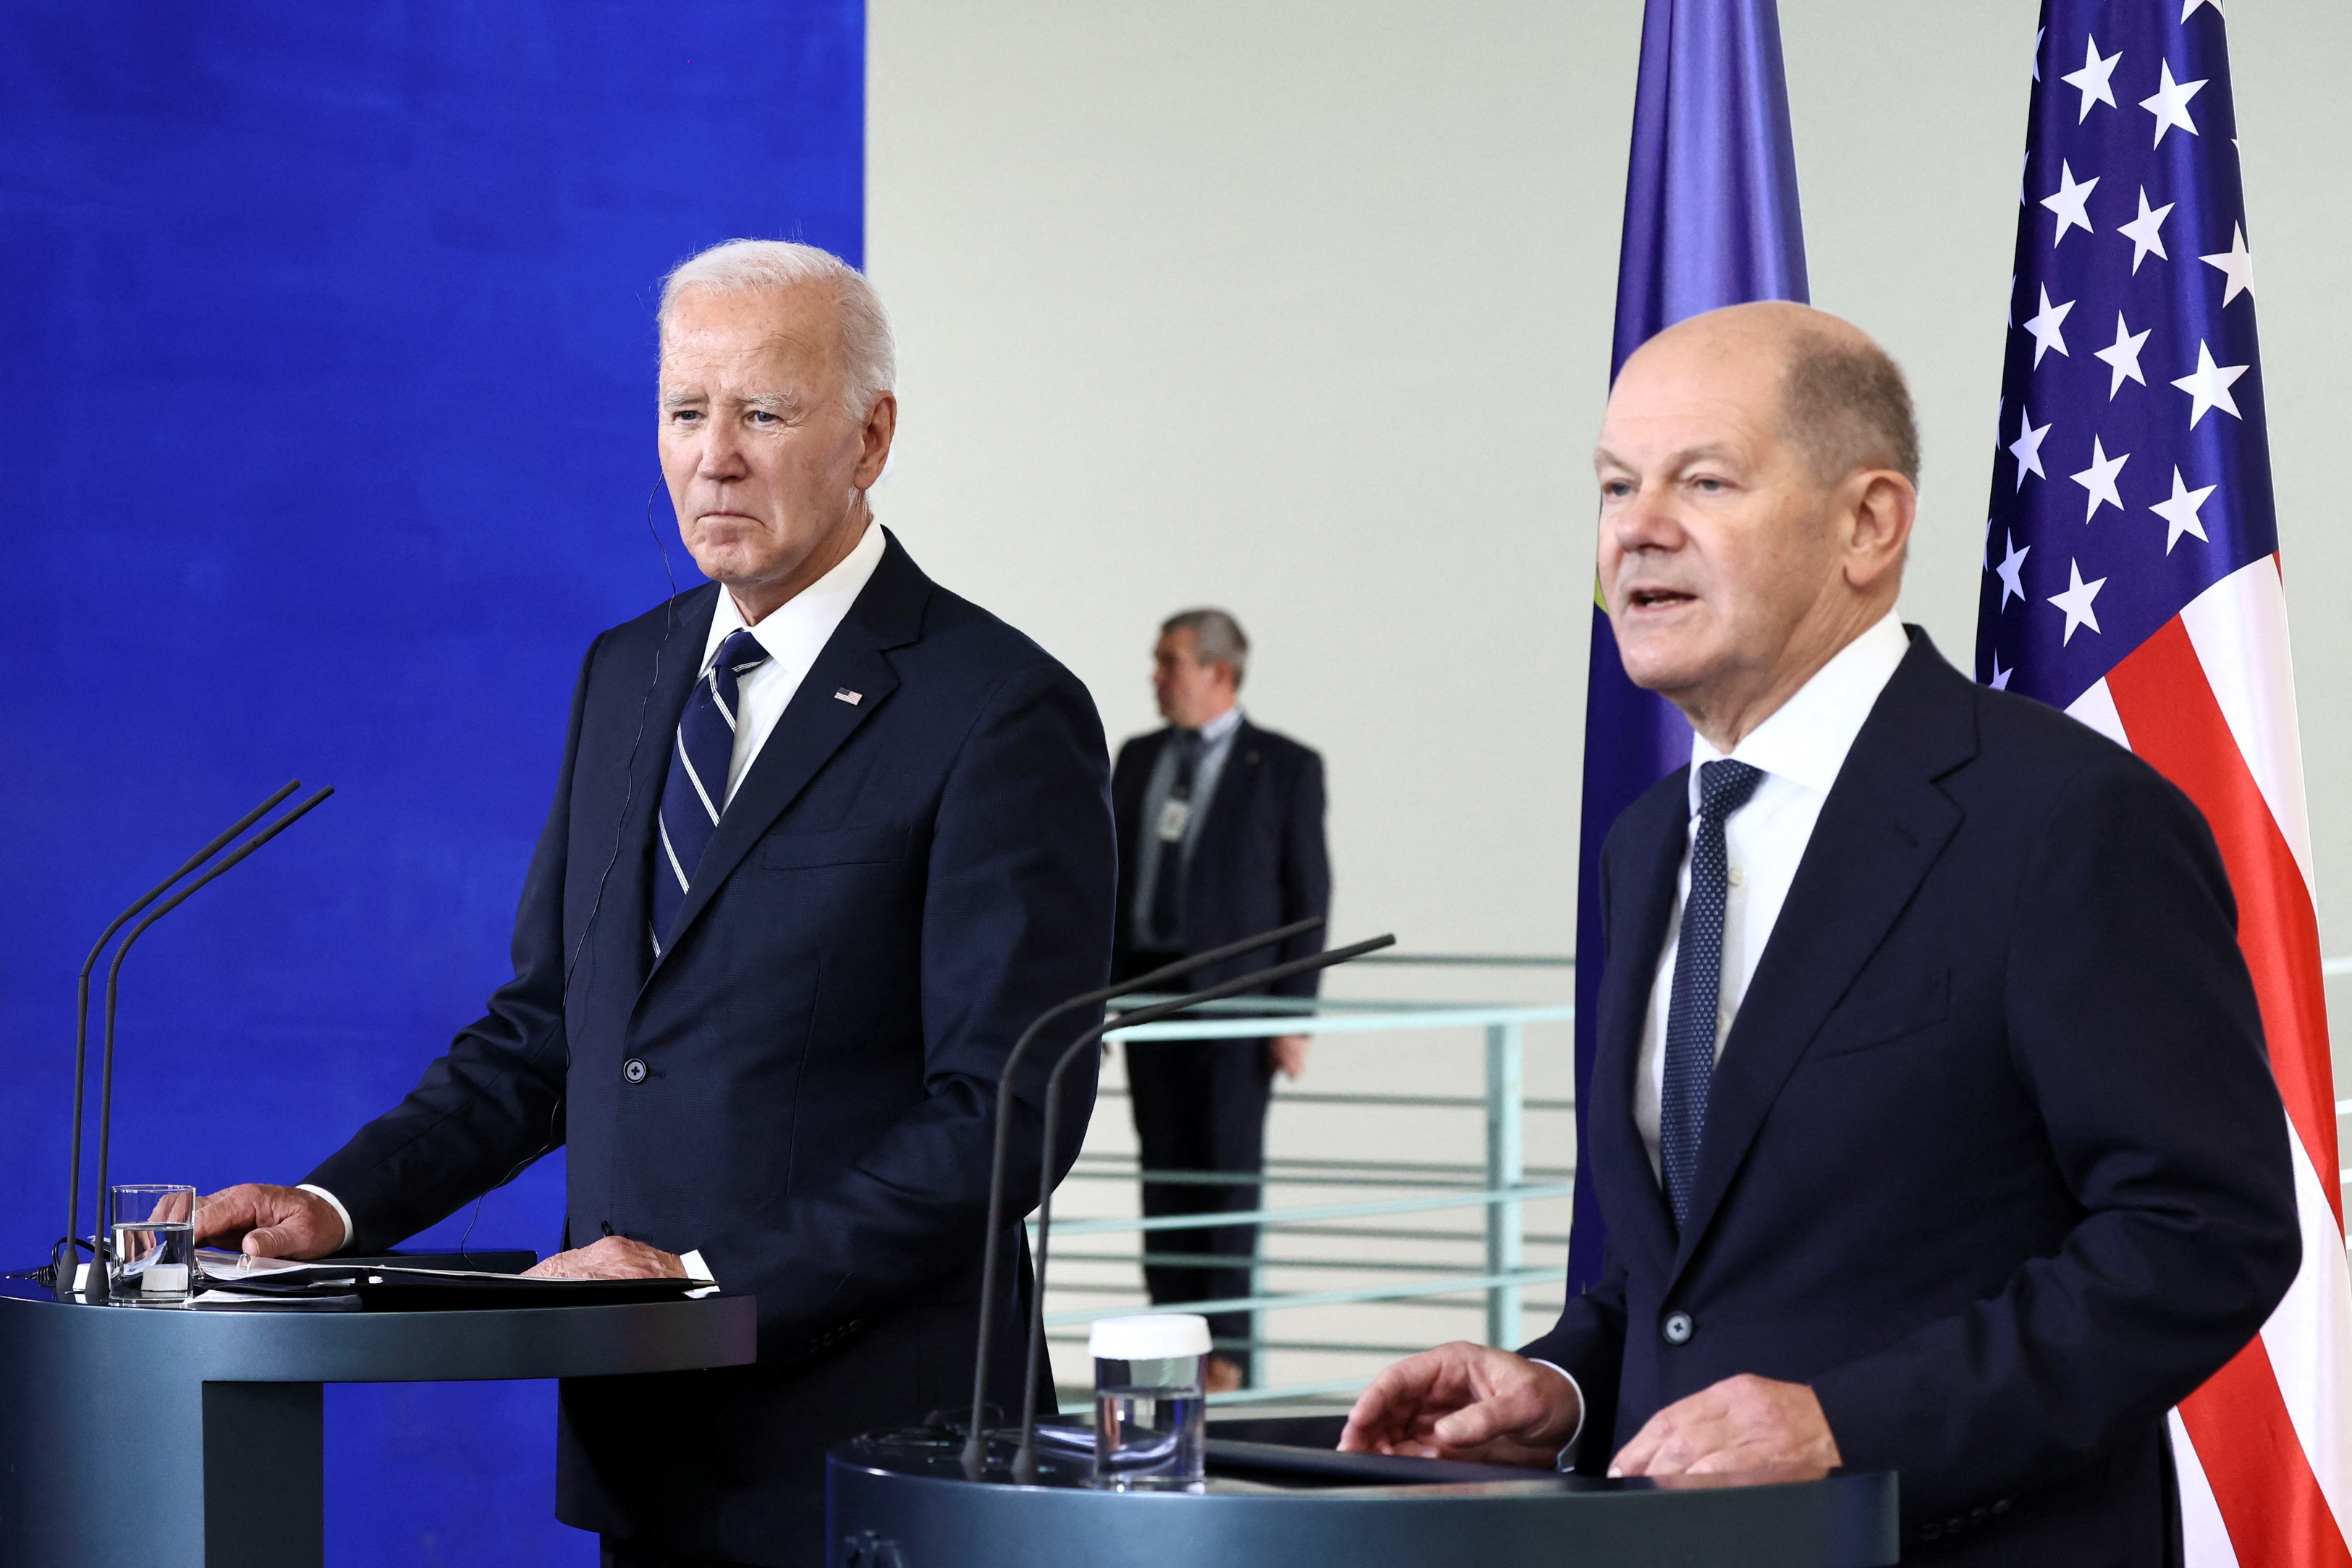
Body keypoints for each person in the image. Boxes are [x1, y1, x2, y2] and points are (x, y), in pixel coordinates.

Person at [192, 240, 1117, 1568]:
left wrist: (700, 1288)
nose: (714, 456)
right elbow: (546, 1034)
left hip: (880, 1459)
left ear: (871, 436)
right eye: (688, 410)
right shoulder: (628, 675)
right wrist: (334, 1210)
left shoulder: (1000, 709)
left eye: (764, 411)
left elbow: (1005, 1117)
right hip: (649, 1449)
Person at [1338, 302, 2300, 1564]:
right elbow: (1709, 1262)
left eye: (1706, 479)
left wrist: (1850, 1425)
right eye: (1617, 484)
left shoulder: (2063, 819)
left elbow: (2202, 1233)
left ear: (1869, 522)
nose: (1637, 527)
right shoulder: (1651, 845)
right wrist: (1563, 1389)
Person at [1111, 609, 1330, 1391]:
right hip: (1146, 997)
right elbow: (1105, 881)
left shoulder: (1282, 767)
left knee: (1228, 1178)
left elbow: (1308, 903)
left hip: (1237, 1006)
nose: (1157, 676)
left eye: (1169, 662)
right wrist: (1097, 1000)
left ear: (1218, 673)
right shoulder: (1137, 759)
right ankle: (1170, 1349)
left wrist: (1291, 1018)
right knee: (1162, 1175)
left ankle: (1225, 1356)